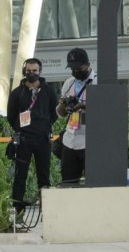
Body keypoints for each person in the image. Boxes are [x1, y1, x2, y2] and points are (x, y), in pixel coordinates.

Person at [7, 56, 53, 211]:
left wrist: (45, 126)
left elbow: (55, 112)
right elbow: (11, 116)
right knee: (20, 176)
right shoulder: (16, 93)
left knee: (44, 176)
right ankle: (17, 208)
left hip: (43, 140)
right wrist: (21, 128)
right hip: (24, 141)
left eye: (34, 71)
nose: (31, 73)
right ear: (24, 72)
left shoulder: (49, 91)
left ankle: (46, 208)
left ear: (40, 71)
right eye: (28, 71)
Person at [58, 49, 92, 184]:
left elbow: (105, 109)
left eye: (78, 68)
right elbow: (61, 114)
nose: (75, 72)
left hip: (90, 141)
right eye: (72, 69)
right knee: (68, 182)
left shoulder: (98, 82)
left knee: (94, 183)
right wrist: (63, 104)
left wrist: (82, 106)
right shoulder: (69, 83)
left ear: (88, 64)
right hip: (70, 140)